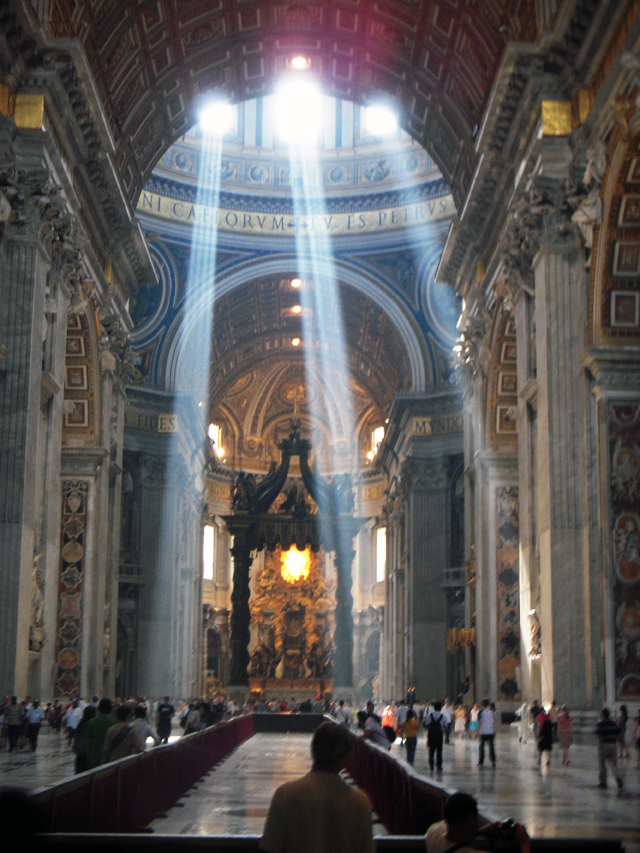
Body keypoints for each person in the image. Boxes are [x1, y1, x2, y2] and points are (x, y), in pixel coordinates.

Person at [260, 722, 373, 853]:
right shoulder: (360, 803)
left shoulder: (285, 796)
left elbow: (270, 846)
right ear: (346, 758)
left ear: (313, 751)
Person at [425, 791, 530, 853]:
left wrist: (478, 832)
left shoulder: (433, 834)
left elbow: (445, 826)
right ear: (471, 819)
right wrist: (524, 844)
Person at [595, 707, 623, 789]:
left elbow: (597, 735)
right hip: (613, 745)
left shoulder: (600, 724)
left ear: (603, 715)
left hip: (603, 745)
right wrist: (615, 737)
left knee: (602, 764)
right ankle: (618, 778)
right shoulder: (613, 723)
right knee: (613, 764)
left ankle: (603, 782)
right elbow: (620, 733)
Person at [85, 698, 114, 768]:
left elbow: (88, 741)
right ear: (110, 709)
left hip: (95, 756)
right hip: (110, 756)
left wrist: (88, 757)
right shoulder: (114, 722)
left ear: (98, 708)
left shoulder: (92, 722)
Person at [73, 705, 97, 773]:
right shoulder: (92, 724)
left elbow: (76, 737)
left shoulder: (80, 724)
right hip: (89, 755)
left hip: (80, 754)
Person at [423, 700, 444, 772]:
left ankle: (431, 764)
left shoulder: (429, 716)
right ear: (440, 708)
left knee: (431, 750)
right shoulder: (442, 716)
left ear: (434, 708)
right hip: (439, 734)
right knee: (439, 750)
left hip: (431, 734)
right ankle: (439, 765)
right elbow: (445, 725)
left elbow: (426, 723)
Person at [477, 698, 496, 767]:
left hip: (483, 732)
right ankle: (493, 760)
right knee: (491, 747)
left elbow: (480, 722)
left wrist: (477, 731)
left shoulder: (481, 712)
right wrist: (494, 731)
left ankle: (481, 761)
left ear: (482, 704)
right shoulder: (492, 711)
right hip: (490, 731)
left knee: (481, 747)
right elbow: (493, 722)